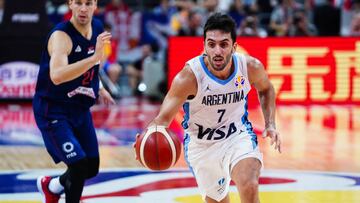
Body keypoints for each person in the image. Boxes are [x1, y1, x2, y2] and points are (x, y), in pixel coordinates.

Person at [135, 13, 281, 203]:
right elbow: (162, 120)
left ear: (234, 47)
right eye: (211, 44)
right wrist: (145, 138)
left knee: (249, 184)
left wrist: (270, 124)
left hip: (237, 136)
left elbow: (266, 88)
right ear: (204, 46)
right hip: (202, 147)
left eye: (223, 44)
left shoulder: (250, 67)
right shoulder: (188, 78)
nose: (217, 51)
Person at [32, 0, 115, 202]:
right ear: (70, 4)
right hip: (53, 110)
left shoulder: (97, 28)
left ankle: (52, 186)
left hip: (79, 108)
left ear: (96, 5)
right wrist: (93, 59)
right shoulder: (61, 36)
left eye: (88, 3)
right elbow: (57, 75)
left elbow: (92, 68)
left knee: (91, 167)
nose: (83, 8)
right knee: (77, 165)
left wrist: (101, 87)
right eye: (78, 2)